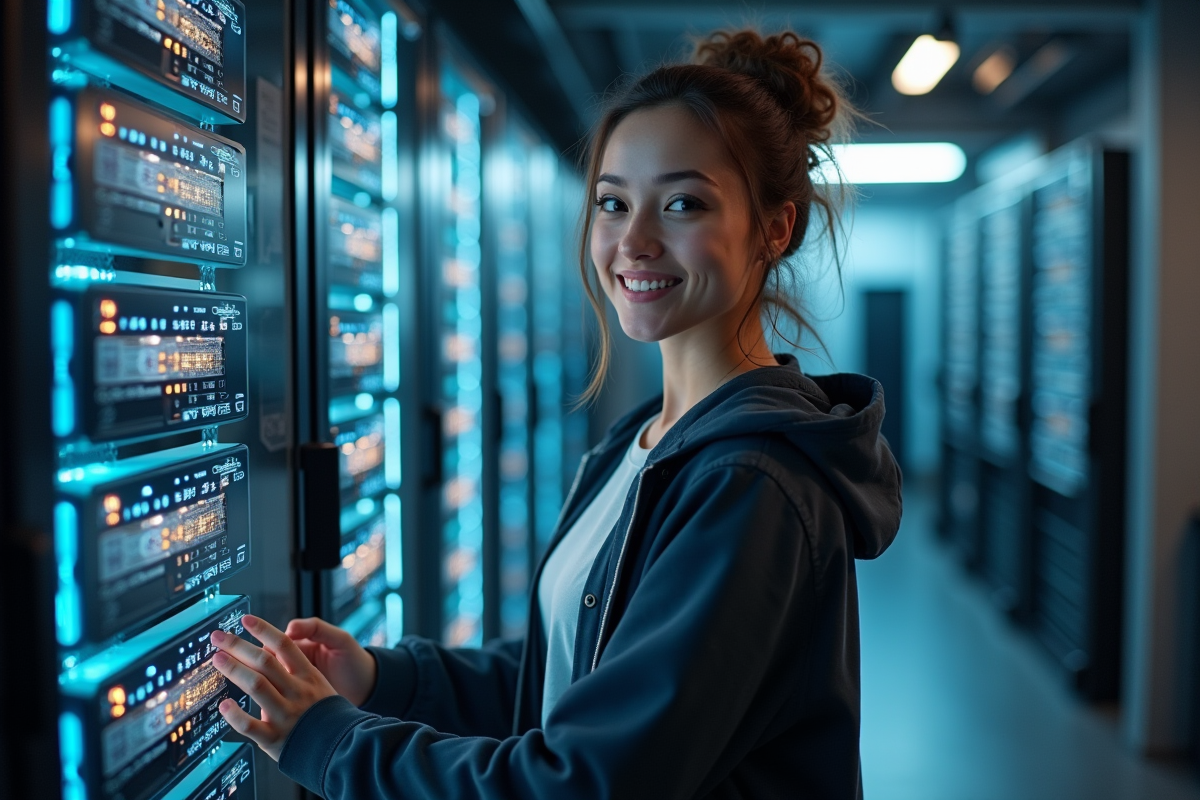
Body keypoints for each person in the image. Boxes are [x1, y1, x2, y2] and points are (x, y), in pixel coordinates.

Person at [210, 28, 902, 800]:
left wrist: (327, 740)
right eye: (613, 202)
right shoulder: (644, 442)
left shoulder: (751, 483)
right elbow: (576, 671)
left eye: (682, 203)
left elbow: (588, 780)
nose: (634, 241)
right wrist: (383, 679)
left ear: (776, 228)